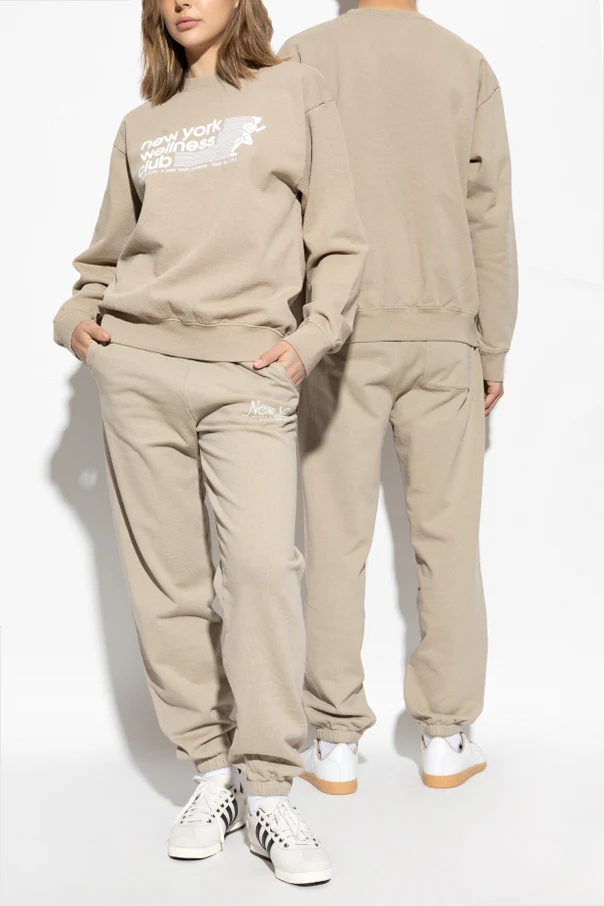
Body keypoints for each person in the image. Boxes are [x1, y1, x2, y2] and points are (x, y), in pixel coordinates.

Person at [53, 0, 366, 885]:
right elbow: (104, 258)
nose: (183, 0)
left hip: (249, 370)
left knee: (261, 569)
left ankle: (269, 790)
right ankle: (212, 772)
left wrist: (309, 343)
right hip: (138, 367)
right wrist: (76, 318)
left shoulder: (296, 90)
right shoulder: (141, 124)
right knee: (169, 583)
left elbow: (341, 243)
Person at [280, 0, 518, 792]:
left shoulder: (305, 54)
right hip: (447, 334)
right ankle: (446, 736)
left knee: (333, 541)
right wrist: (494, 342)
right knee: (448, 541)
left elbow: (279, 203)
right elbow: (489, 215)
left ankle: (333, 741)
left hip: (338, 332)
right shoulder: (465, 63)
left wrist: (293, 327)